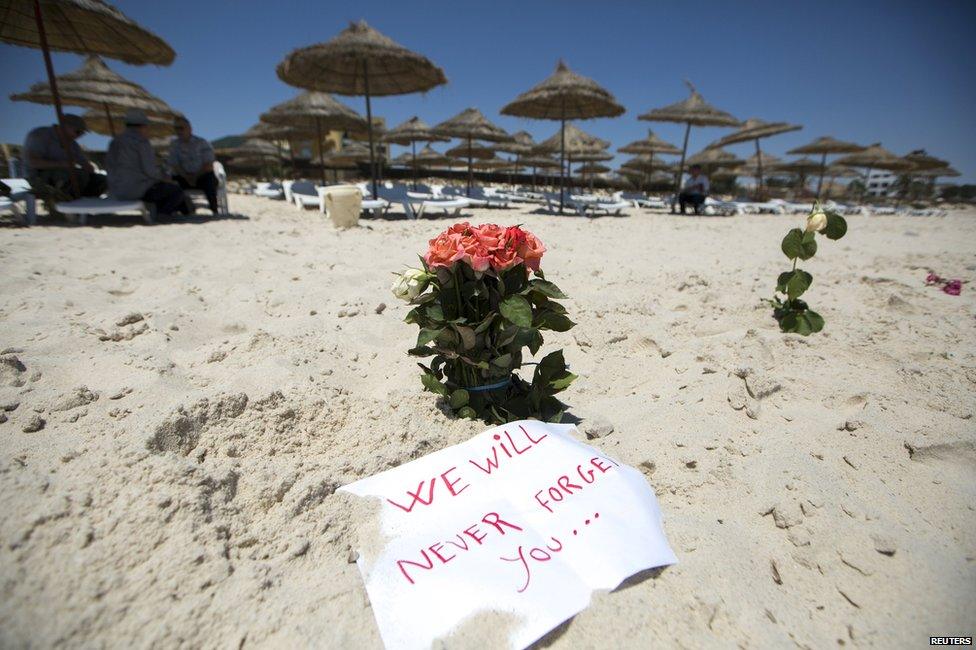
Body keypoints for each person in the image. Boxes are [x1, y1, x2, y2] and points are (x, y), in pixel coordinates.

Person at [106, 108, 189, 217]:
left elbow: (109, 165)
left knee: (165, 189)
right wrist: (165, 177)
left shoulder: (115, 141)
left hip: (116, 190)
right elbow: (150, 171)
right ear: (143, 126)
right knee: (176, 191)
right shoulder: (141, 142)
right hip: (136, 191)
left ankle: (180, 212)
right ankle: (162, 215)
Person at [23, 113, 107, 201]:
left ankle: (85, 205)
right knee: (75, 175)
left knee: (101, 180)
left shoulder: (73, 144)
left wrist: (89, 167)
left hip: (66, 175)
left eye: (83, 133)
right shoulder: (40, 135)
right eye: (78, 131)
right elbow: (32, 162)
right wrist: (61, 164)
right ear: (64, 127)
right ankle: (65, 206)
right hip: (38, 176)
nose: (80, 135)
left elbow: (85, 164)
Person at [168, 116, 219, 214]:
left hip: (202, 175)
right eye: (176, 128)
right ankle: (183, 210)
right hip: (183, 176)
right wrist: (186, 177)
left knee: (210, 179)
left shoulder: (202, 143)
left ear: (190, 129)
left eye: (181, 128)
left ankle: (214, 209)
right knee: (170, 183)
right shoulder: (174, 145)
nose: (179, 131)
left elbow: (208, 164)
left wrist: (195, 176)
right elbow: (174, 164)